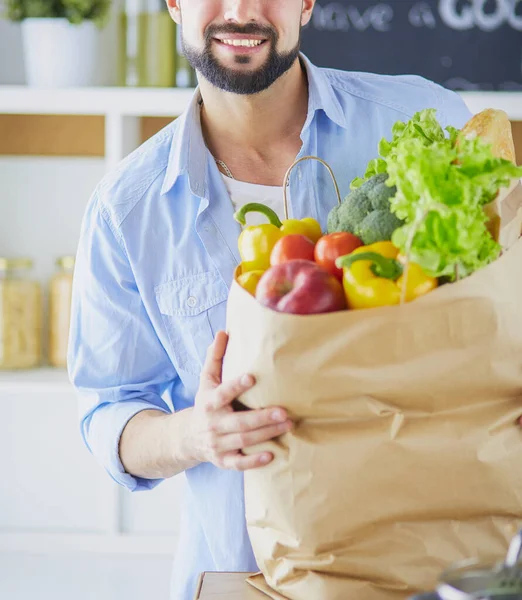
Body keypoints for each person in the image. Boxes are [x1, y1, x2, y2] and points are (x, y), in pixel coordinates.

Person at [68, 1, 474, 598]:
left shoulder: (424, 119)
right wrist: (194, 434)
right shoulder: (126, 212)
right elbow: (108, 413)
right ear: (174, 2)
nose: (240, 11)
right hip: (245, 569)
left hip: (428, 563)